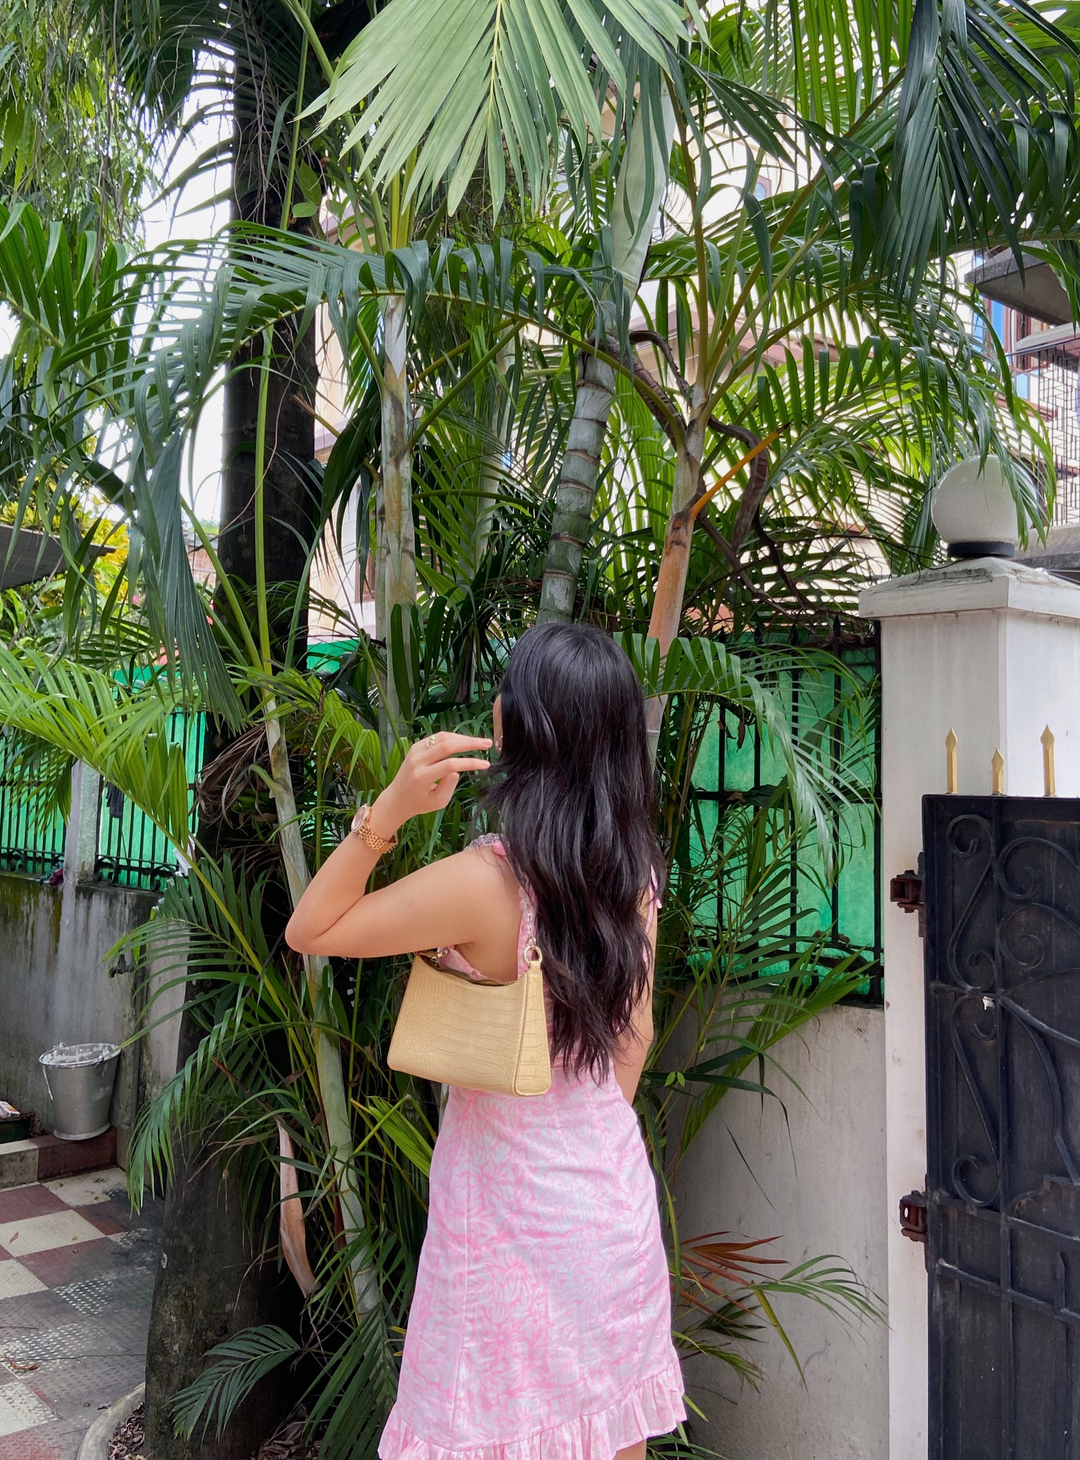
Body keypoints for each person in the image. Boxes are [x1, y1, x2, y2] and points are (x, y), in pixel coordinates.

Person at [286, 621, 686, 1460]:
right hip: (610, 1205)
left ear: (511, 727)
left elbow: (311, 927)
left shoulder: (487, 884)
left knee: (487, 1433)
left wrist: (389, 809)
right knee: (610, 1433)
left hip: (508, 1225)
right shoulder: (634, 869)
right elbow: (635, 1037)